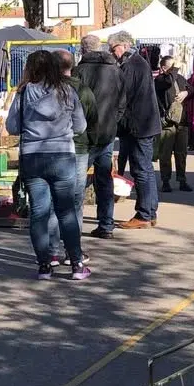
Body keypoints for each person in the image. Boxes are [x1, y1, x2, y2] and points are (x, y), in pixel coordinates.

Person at [7, 50, 90, 281]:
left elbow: (12, 127)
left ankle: (44, 265)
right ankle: (76, 264)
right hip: (62, 156)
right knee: (66, 212)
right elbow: (81, 126)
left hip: (33, 157)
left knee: (39, 212)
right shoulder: (67, 92)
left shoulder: (23, 94)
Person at [109, 31, 162, 230]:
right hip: (141, 124)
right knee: (144, 169)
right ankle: (149, 211)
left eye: (113, 48)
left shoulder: (132, 65)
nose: (112, 53)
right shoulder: (137, 62)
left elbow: (123, 95)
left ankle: (145, 214)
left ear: (123, 45)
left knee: (142, 169)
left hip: (139, 125)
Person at [49, 50, 97, 265]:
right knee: (74, 201)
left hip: (53, 149)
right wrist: (92, 143)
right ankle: (73, 251)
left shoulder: (44, 89)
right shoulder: (83, 90)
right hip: (78, 149)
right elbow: (92, 119)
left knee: (52, 200)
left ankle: (52, 250)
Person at [76, 34, 121, 239]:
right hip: (107, 132)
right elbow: (122, 101)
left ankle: (73, 227)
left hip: (85, 134)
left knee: (77, 182)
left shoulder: (80, 71)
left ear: (83, 49)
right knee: (104, 179)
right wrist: (113, 121)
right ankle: (106, 224)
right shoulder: (115, 70)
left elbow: (74, 102)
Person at [156, 56, 192, 194]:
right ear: (164, 68)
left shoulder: (180, 78)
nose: (174, 71)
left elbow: (192, 89)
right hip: (168, 123)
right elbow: (168, 82)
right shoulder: (160, 80)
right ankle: (165, 181)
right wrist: (174, 70)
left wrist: (186, 92)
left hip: (182, 122)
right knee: (165, 153)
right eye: (171, 68)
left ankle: (182, 179)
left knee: (181, 153)